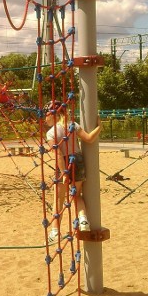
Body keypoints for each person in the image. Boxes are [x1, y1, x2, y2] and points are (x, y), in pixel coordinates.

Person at [43, 100, 101, 242]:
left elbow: (58, 154)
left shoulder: (51, 133)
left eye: (46, 115)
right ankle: (83, 221)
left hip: (64, 163)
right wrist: (99, 127)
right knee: (76, 195)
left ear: (53, 114)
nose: (45, 119)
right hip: (78, 160)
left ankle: (55, 231)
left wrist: (63, 173)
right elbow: (89, 138)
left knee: (59, 199)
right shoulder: (72, 125)